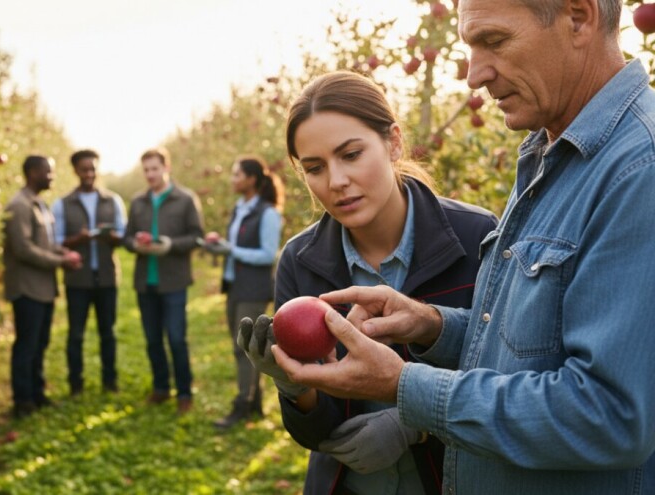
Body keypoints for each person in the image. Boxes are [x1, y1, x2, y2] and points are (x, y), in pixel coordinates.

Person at [268, 1, 655, 493]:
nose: (473, 76)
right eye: (468, 47)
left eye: (493, 41)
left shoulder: (636, 172)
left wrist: (405, 388)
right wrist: (432, 325)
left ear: (578, 17)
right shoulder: (551, 156)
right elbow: (530, 341)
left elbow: (611, 417)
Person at [239, 71, 497, 494]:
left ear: (393, 142)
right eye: (315, 168)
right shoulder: (300, 263)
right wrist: (295, 388)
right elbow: (315, 431)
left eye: (351, 154)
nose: (336, 181)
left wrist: (413, 424)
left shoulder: (476, 237)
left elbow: (506, 378)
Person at [125, 148, 204, 414]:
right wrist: (135, 243)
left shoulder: (185, 199)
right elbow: (126, 238)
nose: (150, 174)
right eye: (146, 170)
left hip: (173, 281)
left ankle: (184, 392)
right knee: (152, 339)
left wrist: (170, 245)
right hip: (145, 281)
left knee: (176, 338)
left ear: (165, 168)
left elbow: (196, 237)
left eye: (154, 169)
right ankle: (161, 388)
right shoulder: (137, 202)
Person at [3, 155, 81, 419]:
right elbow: (24, 249)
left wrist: (63, 252)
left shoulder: (40, 205)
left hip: (43, 288)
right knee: (27, 344)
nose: (52, 176)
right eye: (48, 172)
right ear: (33, 172)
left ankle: (37, 393)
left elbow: (44, 243)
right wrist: (60, 262)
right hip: (27, 288)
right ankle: (22, 400)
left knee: (40, 343)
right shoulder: (19, 206)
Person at [209, 156, 285, 429]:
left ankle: (242, 404)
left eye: (236, 175)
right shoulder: (239, 208)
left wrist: (231, 250)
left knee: (244, 348)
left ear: (252, 178)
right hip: (235, 286)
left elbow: (267, 255)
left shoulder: (268, 213)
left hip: (253, 288)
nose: (232, 180)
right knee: (241, 345)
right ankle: (254, 403)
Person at [52, 149, 127, 396]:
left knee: (109, 333)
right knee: (76, 335)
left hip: (106, 277)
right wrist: (79, 239)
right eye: (84, 169)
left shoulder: (112, 201)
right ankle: (76, 384)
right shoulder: (63, 204)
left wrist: (112, 236)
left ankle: (110, 381)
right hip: (78, 280)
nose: (89, 174)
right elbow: (58, 242)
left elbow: (123, 237)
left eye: (93, 169)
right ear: (75, 171)